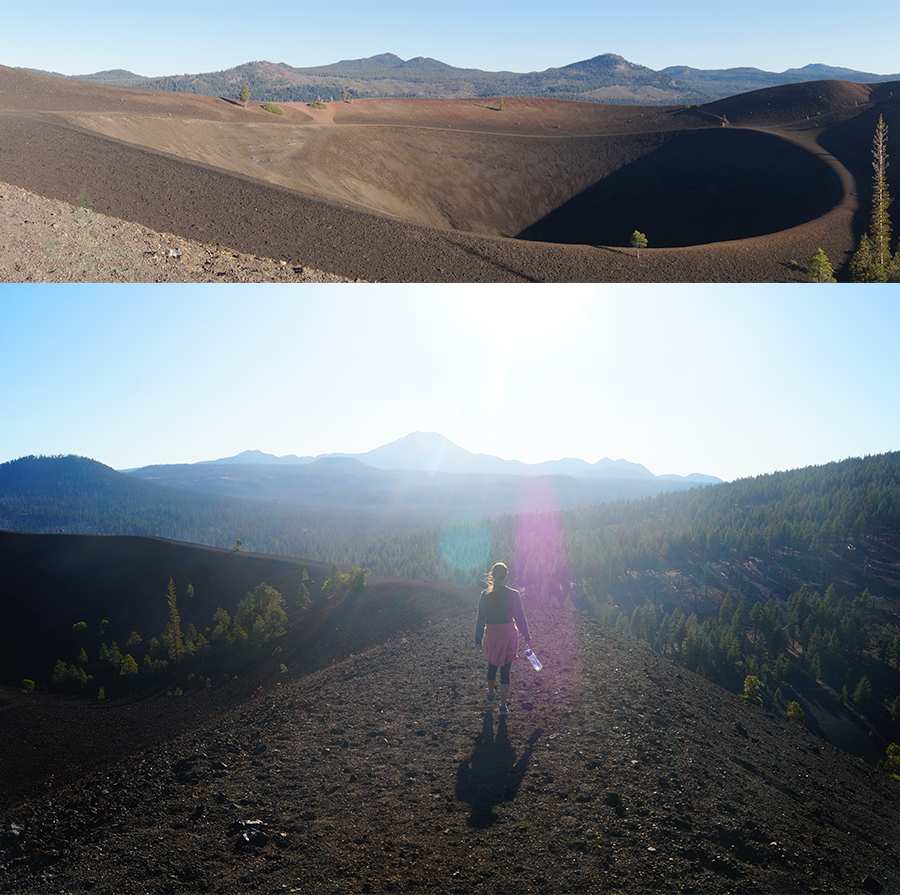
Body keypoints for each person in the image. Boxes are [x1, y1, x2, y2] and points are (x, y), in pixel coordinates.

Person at [474, 562, 532, 716]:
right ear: (507, 575)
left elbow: (480, 618)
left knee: (492, 665)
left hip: (491, 636)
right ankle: (503, 706)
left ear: (493, 575)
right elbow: (520, 617)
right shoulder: (513, 594)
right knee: (506, 670)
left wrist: (477, 639)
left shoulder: (485, 595)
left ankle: (491, 694)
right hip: (508, 635)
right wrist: (527, 636)